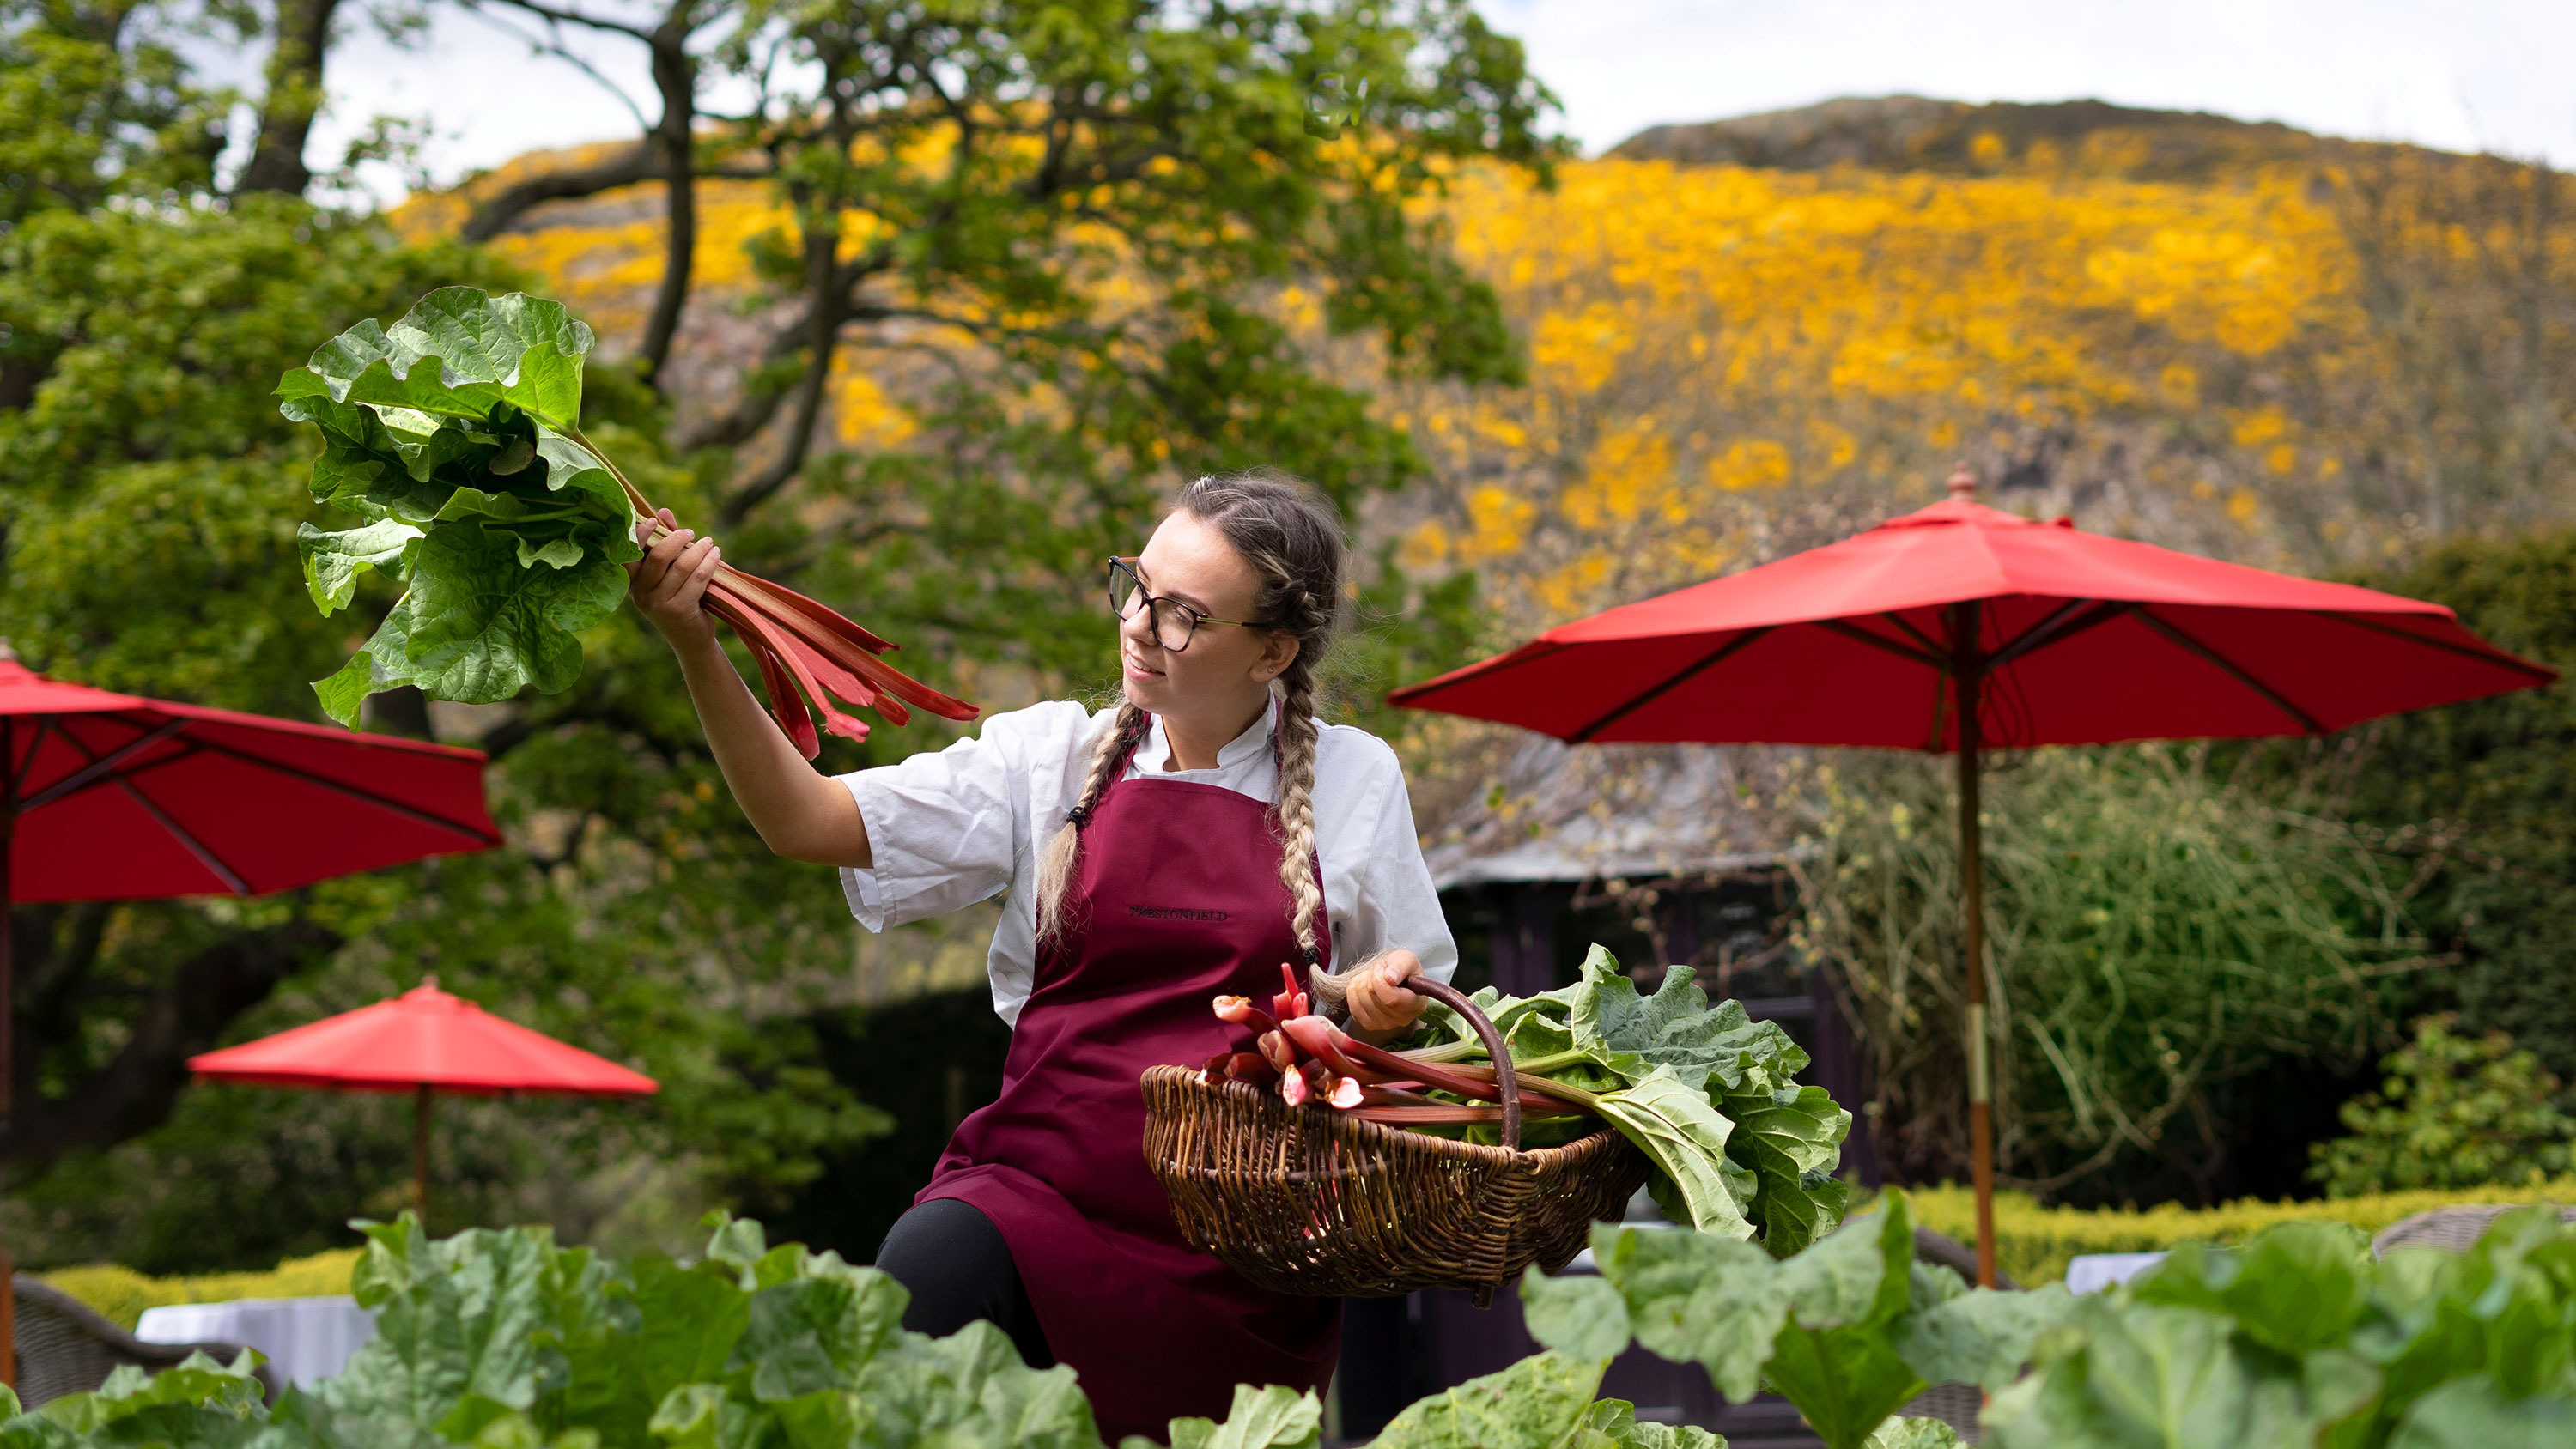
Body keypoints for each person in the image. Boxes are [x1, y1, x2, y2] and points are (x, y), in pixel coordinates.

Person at [627, 470, 1458, 1440]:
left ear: (1271, 650)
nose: (1141, 626)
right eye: (1135, 587)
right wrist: (694, 640)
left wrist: (1376, 1008)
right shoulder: (1046, 759)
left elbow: (1427, 1027)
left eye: (1185, 614)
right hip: (1035, 1194)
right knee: (923, 1276)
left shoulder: (1358, 780)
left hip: (1241, 1256)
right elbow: (801, 818)